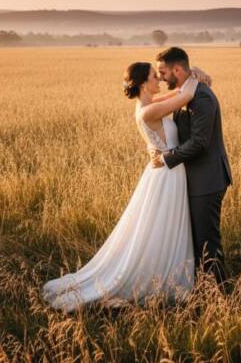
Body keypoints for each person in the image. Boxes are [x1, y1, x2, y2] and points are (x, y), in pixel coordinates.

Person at [41, 60, 212, 312]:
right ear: (143, 84)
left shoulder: (149, 104)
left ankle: (171, 272)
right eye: (154, 76)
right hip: (167, 174)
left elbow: (176, 93)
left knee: (163, 225)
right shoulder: (148, 111)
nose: (159, 79)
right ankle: (162, 278)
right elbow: (185, 95)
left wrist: (195, 74)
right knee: (162, 226)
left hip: (167, 170)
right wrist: (195, 76)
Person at [151, 47, 232, 285]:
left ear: (177, 70)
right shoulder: (184, 91)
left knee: (207, 241)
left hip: (207, 179)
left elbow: (199, 142)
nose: (161, 78)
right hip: (195, 178)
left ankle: (220, 292)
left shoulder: (202, 97)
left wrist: (166, 158)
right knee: (197, 239)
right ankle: (202, 288)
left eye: (163, 72)